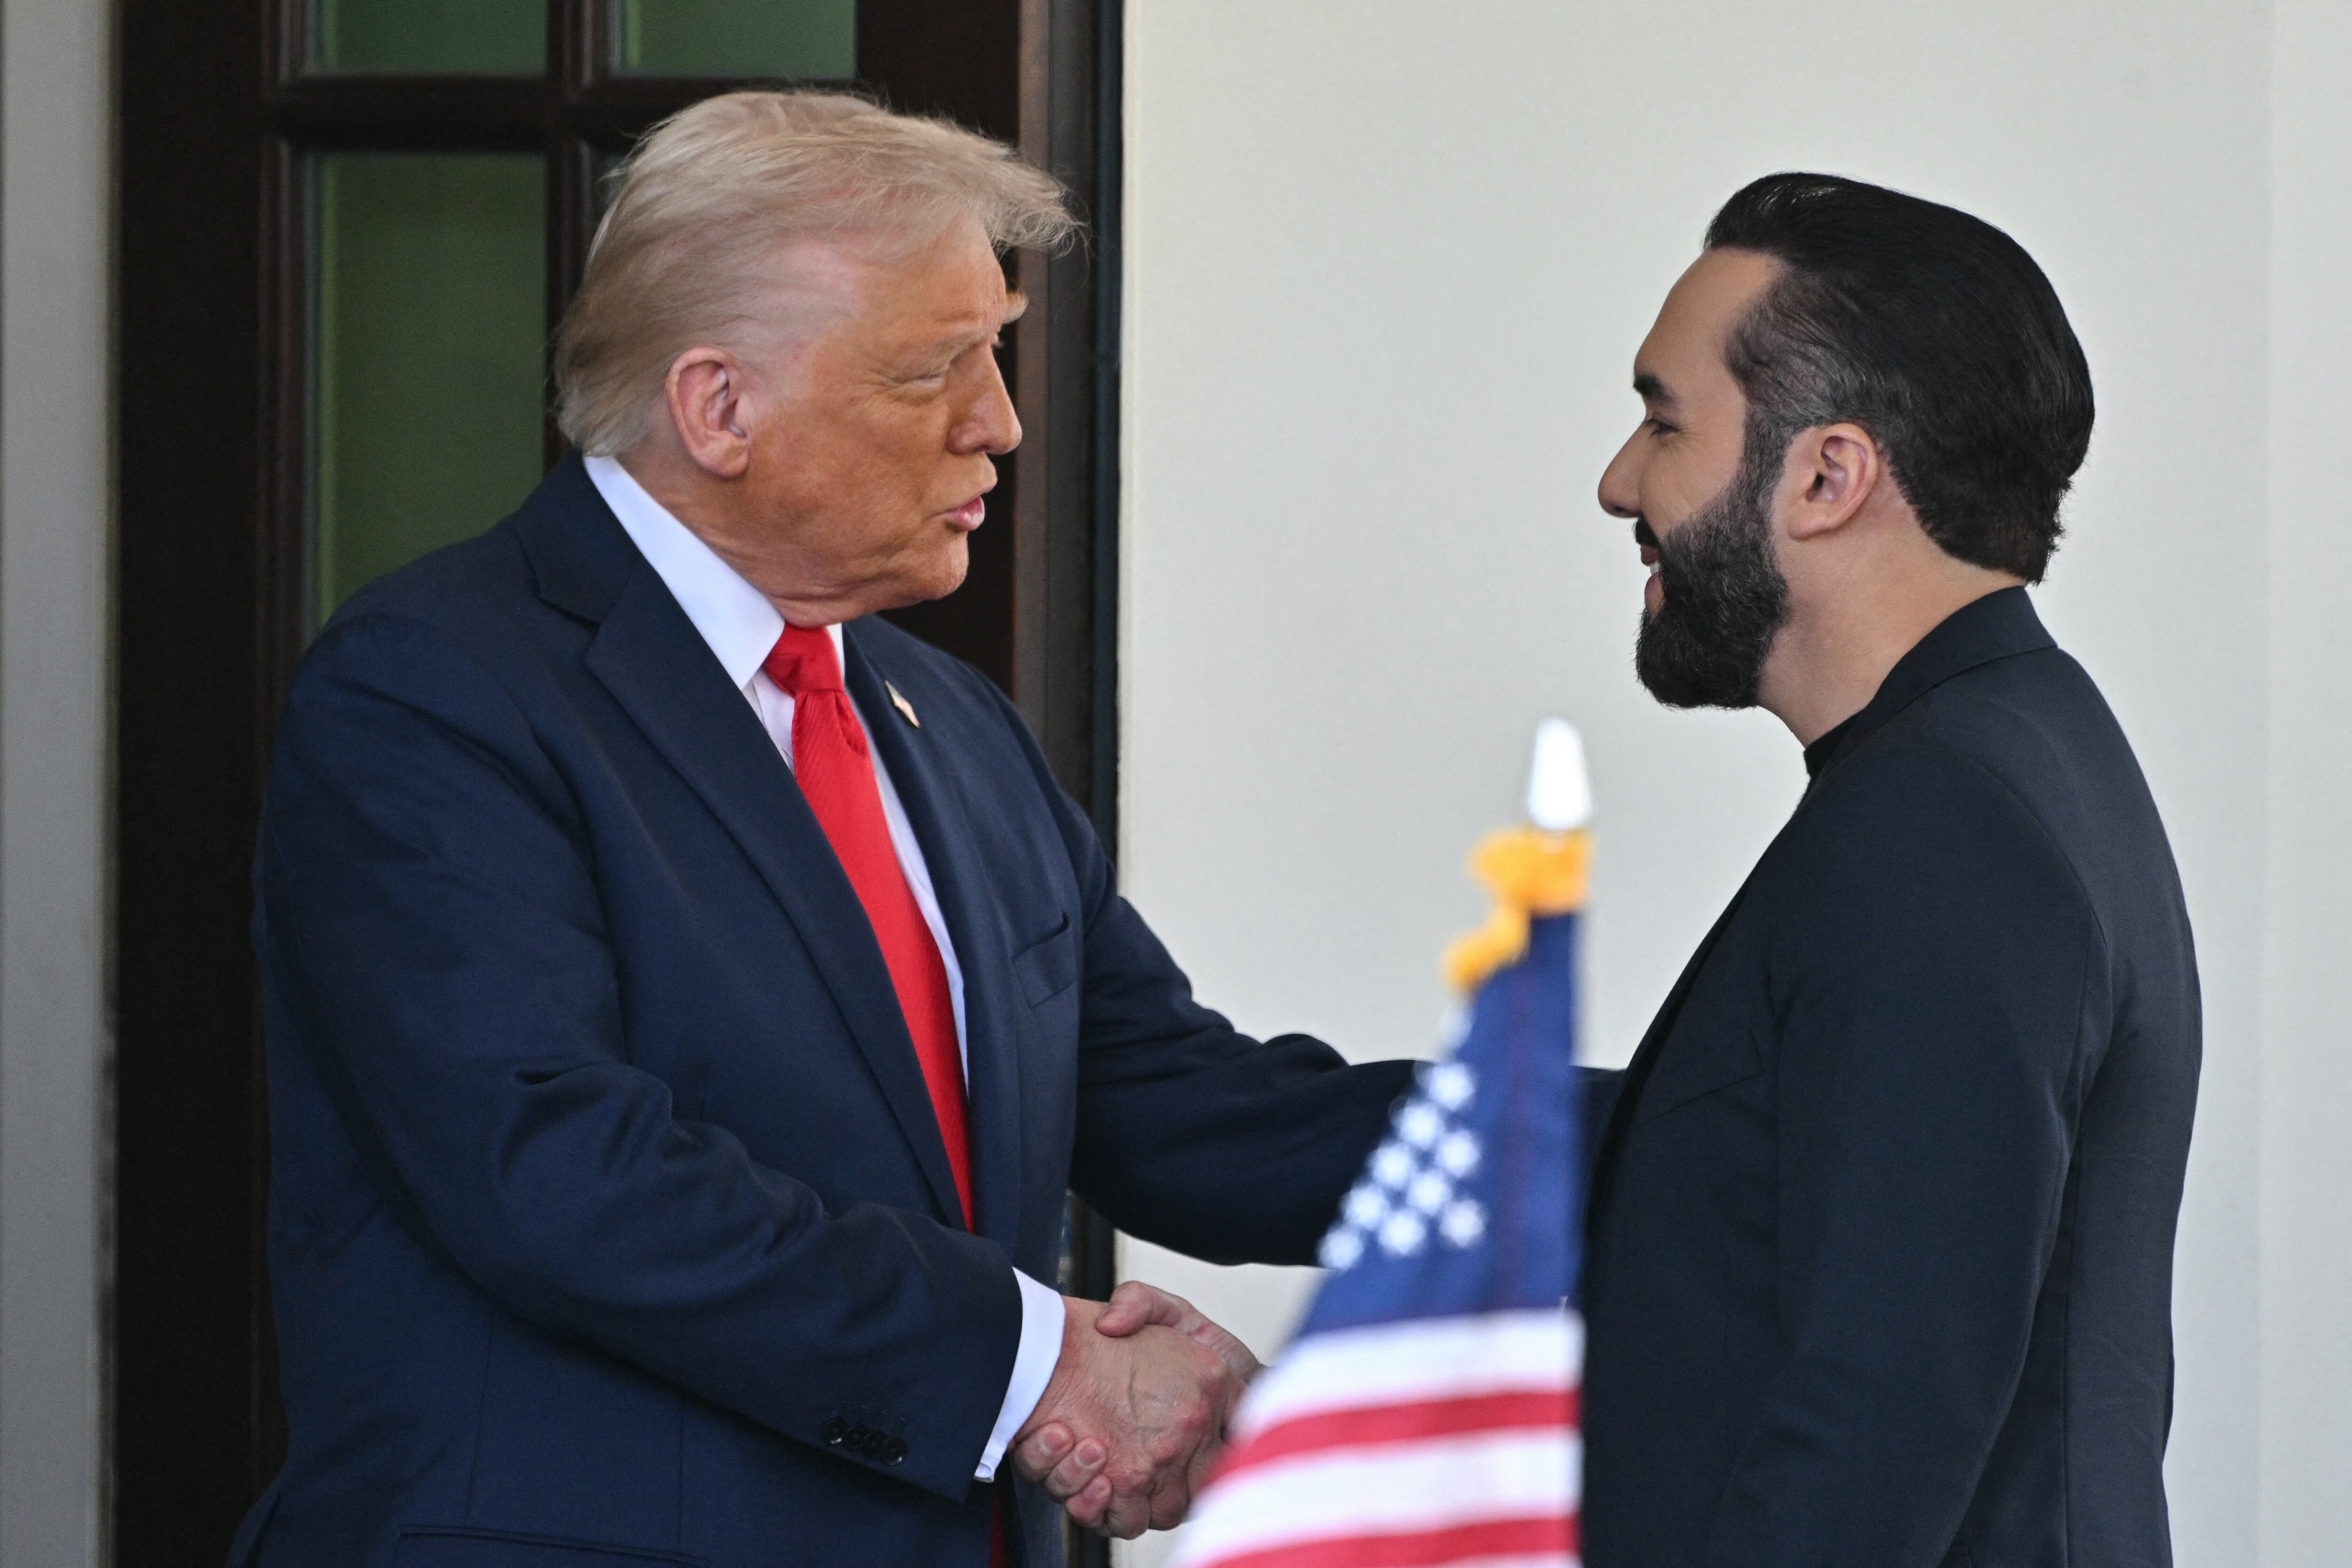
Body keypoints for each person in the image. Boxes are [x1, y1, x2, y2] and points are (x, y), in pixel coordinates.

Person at [233, 92, 1413, 1568]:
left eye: (998, 351)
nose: (1000, 420)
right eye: (934, 369)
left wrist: (1648, 1144)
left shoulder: (949, 722)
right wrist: (1042, 1364)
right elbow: (559, 1171)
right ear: (718, 408)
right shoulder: (433, 691)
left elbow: (1182, 1109)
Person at [1581, 173, 2199, 1567]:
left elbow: (1870, 1437)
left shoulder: (1943, 823)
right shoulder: (2021, 752)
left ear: (1827, 476)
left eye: (1665, 423)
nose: (1621, 481)